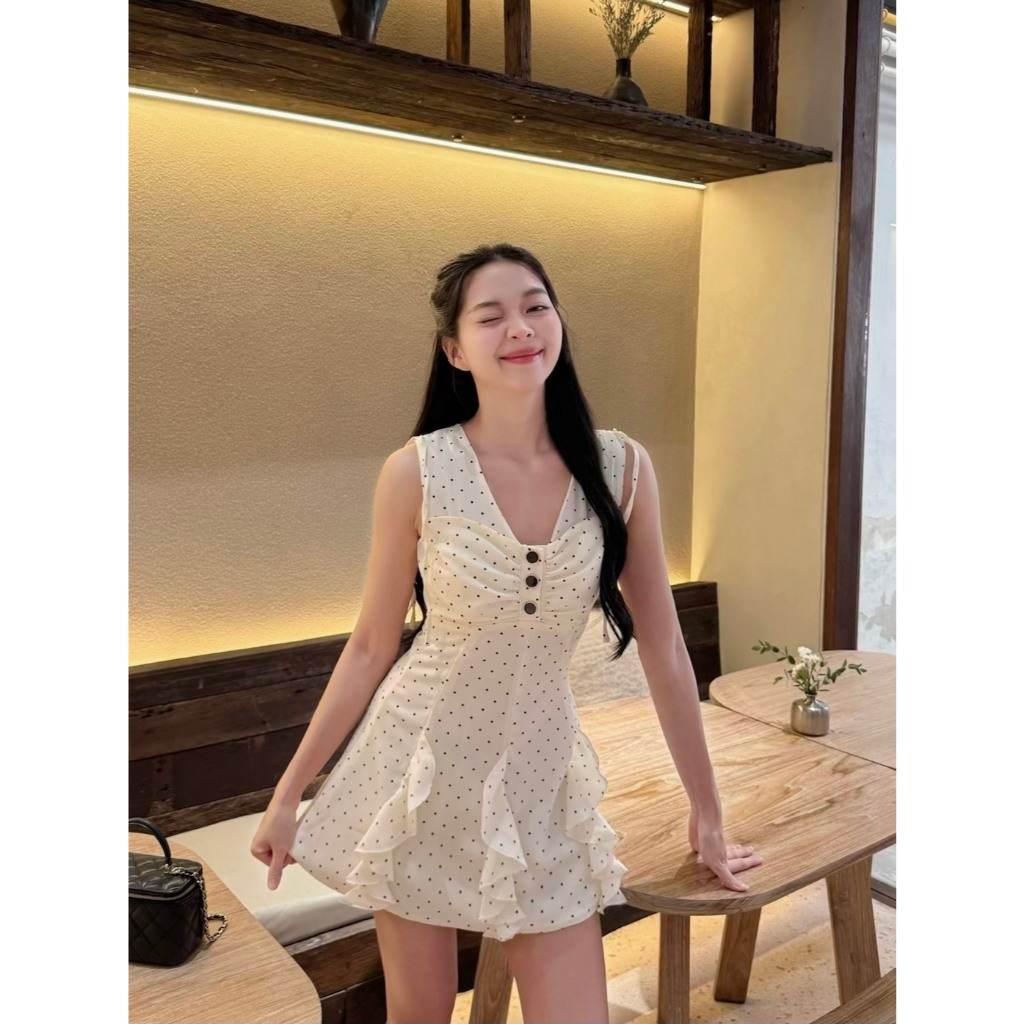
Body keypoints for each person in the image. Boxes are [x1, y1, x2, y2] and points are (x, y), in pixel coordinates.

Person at [251, 243, 762, 1024]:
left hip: (539, 780)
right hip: (416, 770)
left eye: (536, 307)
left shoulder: (621, 467)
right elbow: (371, 646)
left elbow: (663, 646)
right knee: (419, 1014)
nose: (520, 328)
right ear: (456, 350)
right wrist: (289, 795)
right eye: (490, 317)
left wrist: (709, 811)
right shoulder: (416, 470)